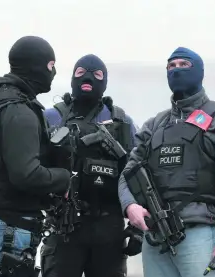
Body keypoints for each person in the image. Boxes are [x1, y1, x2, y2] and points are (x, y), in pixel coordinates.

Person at [118, 47, 215, 277]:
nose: (176, 70)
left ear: (199, 71)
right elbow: (127, 173)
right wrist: (130, 206)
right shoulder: (154, 125)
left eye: (183, 65)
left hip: (199, 233)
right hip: (156, 236)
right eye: (171, 66)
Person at [0, 36, 71, 277]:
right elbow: (26, 174)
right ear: (37, 65)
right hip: (8, 226)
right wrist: (63, 177)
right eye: (51, 65)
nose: (53, 72)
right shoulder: (18, 111)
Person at [41, 54, 141, 277]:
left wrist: (137, 229)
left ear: (105, 81)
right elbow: (34, 168)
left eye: (96, 75)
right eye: (80, 73)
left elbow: (138, 175)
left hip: (109, 227)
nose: (87, 78)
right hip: (64, 225)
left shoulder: (123, 122)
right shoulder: (52, 117)